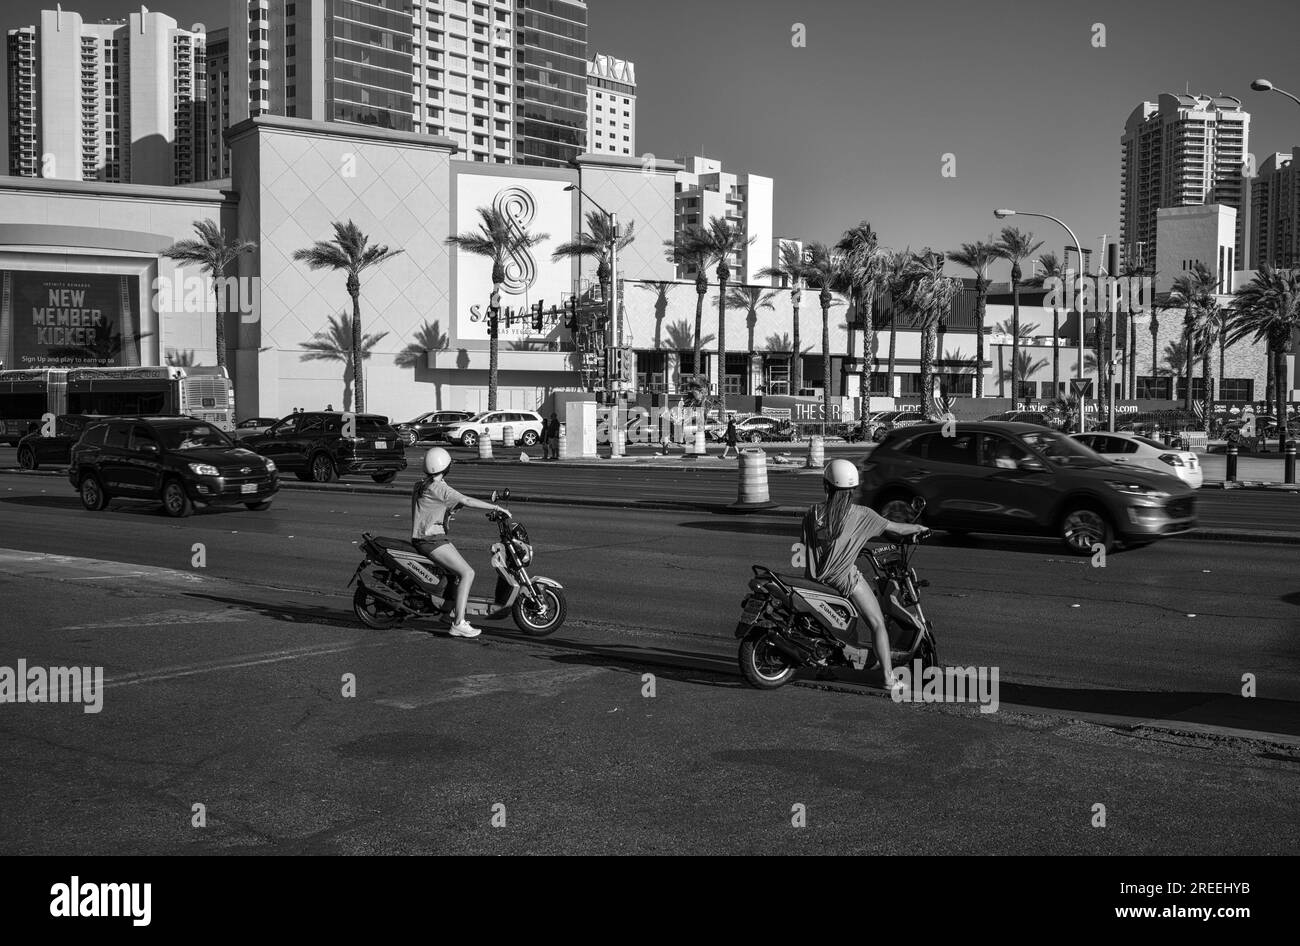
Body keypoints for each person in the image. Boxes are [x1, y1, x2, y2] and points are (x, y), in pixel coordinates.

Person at [802, 459, 929, 688]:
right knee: (878, 622)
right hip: (844, 578)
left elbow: (811, 544)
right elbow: (897, 528)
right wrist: (919, 528)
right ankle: (889, 679)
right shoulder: (862, 515)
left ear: (826, 485)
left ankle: (825, 665)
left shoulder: (813, 513)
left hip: (816, 575)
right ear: (853, 489)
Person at [411, 446, 510, 639]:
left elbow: (435, 507)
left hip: (424, 537)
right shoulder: (440, 488)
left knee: (454, 573)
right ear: (446, 467)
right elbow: (466, 500)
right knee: (467, 573)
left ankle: (449, 613)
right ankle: (458, 623)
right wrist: (496, 507)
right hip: (431, 539)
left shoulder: (421, 485)